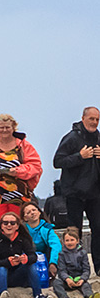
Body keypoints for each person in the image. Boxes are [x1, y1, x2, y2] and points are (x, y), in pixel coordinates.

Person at [52, 107, 100, 271]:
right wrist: (79, 156)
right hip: (74, 193)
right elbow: (57, 161)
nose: (94, 122)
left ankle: (98, 267)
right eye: (91, 119)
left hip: (95, 193)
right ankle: (74, 268)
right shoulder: (72, 137)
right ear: (83, 118)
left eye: (97, 119)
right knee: (74, 232)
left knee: (98, 229)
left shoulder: (99, 138)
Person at [0, 114, 43, 226]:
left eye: (7, 127)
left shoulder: (24, 145)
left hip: (20, 197)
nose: (4, 130)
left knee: (19, 229)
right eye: (2, 127)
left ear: (13, 128)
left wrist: (17, 171)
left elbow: (36, 166)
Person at [0, 213, 50, 298]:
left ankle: (38, 294)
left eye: (12, 223)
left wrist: (25, 259)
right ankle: (3, 295)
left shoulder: (23, 238)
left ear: (17, 226)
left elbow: (33, 256)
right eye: (5, 223)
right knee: (2, 268)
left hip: (17, 276)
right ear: (1, 225)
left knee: (31, 265)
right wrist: (7, 262)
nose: (9, 225)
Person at [52, 227, 98, 298]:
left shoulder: (83, 253)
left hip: (79, 279)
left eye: (72, 240)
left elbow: (86, 269)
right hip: (67, 281)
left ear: (77, 240)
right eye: (67, 240)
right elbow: (61, 270)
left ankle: (90, 297)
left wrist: (82, 279)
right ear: (63, 241)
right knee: (56, 283)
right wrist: (67, 279)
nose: (70, 242)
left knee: (86, 286)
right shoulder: (62, 254)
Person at [22, 200, 61, 286]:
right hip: (27, 257)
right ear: (25, 218)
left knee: (52, 249)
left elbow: (56, 246)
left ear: (39, 212)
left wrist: (53, 263)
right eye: (28, 212)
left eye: (34, 210)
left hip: (45, 258)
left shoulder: (47, 228)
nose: (32, 213)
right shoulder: (21, 230)